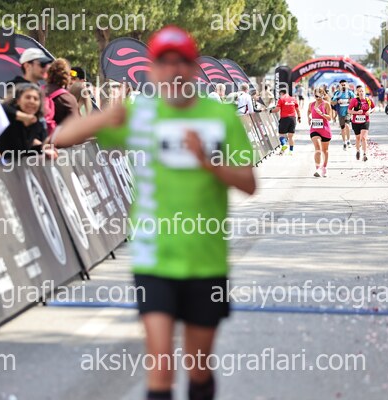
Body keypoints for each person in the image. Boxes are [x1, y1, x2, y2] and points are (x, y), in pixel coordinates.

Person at [53, 25, 256, 400]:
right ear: (153, 70)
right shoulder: (140, 112)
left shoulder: (219, 114)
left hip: (206, 260)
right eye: (164, 63)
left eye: (182, 62)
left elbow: (248, 183)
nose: (174, 71)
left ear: (193, 68)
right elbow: (62, 138)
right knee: (160, 365)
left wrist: (207, 162)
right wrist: (106, 115)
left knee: (198, 366)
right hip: (154, 257)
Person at [0, 83, 50, 162]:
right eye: (28, 97)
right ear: (18, 101)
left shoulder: (37, 125)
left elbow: (26, 151)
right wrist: (22, 116)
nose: (32, 101)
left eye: (35, 99)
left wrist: (44, 148)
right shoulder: (8, 116)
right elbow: (1, 107)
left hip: (17, 166)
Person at [45, 58, 80, 135]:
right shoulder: (68, 99)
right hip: (59, 140)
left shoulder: (37, 93)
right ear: (67, 76)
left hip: (36, 140)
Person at [307, 88, 333, 177]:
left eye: (319, 95)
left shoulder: (326, 104)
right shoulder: (311, 104)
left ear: (323, 95)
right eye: (316, 95)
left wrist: (321, 114)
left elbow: (330, 118)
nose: (317, 97)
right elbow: (308, 111)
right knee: (317, 148)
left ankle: (324, 168)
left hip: (325, 129)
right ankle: (317, 169)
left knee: (325, 150)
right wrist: (308, 117)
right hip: (314, 129)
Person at [348, 85, 375, 162]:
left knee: (363, 137)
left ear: (365, 92)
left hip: (365, 121)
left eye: (362, 91)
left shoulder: (368, 100)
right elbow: (349, 110)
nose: (361, 92)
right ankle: (358, 151)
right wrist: (356, 112)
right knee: (358, 138)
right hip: (355, 122)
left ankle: (365, 154)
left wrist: (369, 111)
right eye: (359, 91)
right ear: (357, 92)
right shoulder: (354, 100)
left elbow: (373, 107)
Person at [270, 88, 301, 155]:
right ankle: (291, 151)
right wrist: (299, 117)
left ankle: (284, 144)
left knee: (281, 135)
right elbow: (298, 110)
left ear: (281, 93)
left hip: (284, 118)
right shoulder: (293, 99)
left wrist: (270, 111)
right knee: (291, 136)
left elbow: (277, 109)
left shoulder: (281, 99)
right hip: (293, 118)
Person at [331, 79, 355, 150]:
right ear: (339, 86)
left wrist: (350, 101)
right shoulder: (337, 93)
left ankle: (348, 141)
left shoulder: (350, 93)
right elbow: (332, 102)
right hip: (340, 112)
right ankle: (344, 142)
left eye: (344, 85)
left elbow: (355, 100)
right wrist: (337, 101)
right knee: (343, 128)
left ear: (347, 85)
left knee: (347, 125)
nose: (343, 86)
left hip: (348, 112)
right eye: (342, 85)